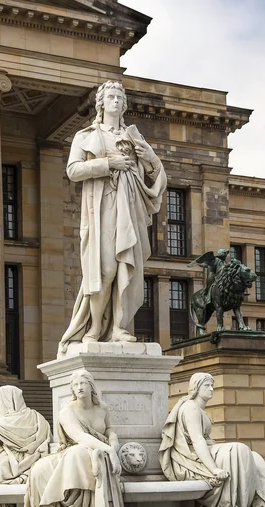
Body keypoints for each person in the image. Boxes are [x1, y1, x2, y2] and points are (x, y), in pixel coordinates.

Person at [59, 80, 166, 351]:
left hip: (130, 207)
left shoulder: (135, 137)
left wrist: (151, 158)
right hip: (102, 207)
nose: (116, 101)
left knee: (125, 266)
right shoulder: (86, 136)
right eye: (111, 97)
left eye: (120, 96)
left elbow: (155, 177)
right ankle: (94, 327)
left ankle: (119, 327)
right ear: (102, 103)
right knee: (104, 268)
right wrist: (109, 164)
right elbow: (73, 170)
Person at [159, 373, 265, 507]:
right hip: (190, 458)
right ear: (196, 388)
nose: (212, 389)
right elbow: (197, 440)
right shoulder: (191, 407)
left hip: (204, 451)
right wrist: (214, 469)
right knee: (239, 449)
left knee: (255, 457)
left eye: (212, 385)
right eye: (206, 385)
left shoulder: (199, 409)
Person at [19, 369, 124, 507]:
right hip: (75, 449)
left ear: (91, 386)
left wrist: (114, 440)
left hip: (97, 449)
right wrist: (110, 450)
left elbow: (109, 429)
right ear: (72, 390)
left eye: (83, 383)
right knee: (75, 454)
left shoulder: (102, 408)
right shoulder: (67, 411)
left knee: (80, 454)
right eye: (75, 385)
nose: (79, 387)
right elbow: (79, 436)